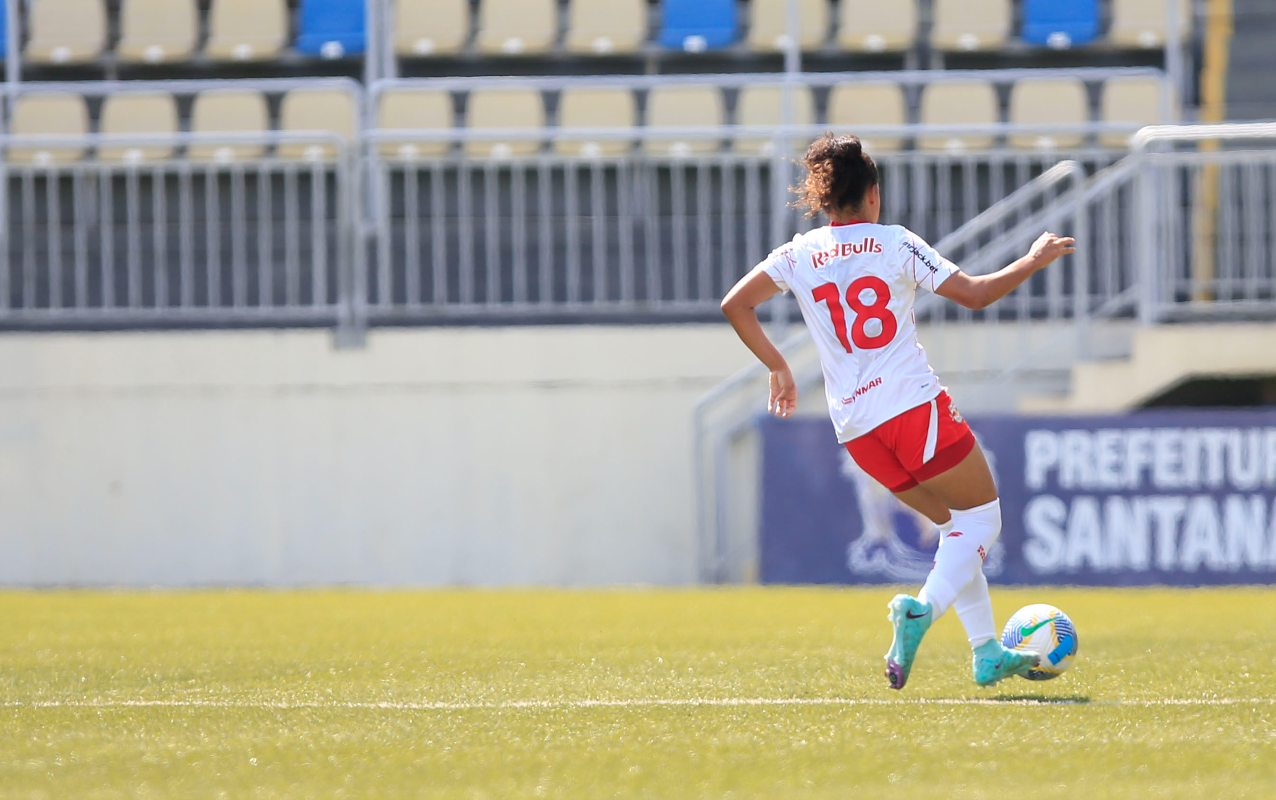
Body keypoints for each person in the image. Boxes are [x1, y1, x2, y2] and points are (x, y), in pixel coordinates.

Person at [720, 133, 1075, 690]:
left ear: (825, 199)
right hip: (911, 406)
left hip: (856, 429)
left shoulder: (799, 253)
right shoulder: (895, 243)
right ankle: (922, 612)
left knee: (957, 530)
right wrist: (1032, 259)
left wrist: (778, 367)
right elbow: (975, 294)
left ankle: (986, 652)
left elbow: (735, 304)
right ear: (873, 194)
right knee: (983, 520)